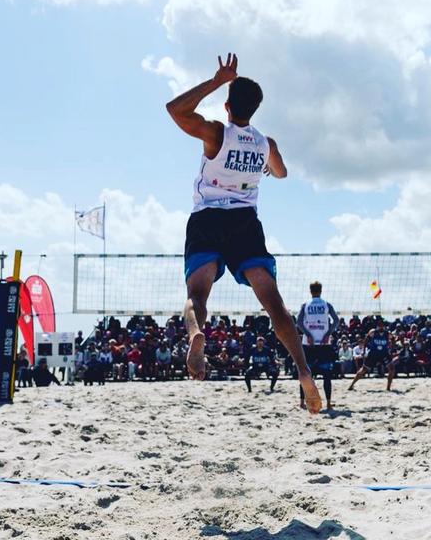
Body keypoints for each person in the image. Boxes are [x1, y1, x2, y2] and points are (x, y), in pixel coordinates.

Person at [166, 53, 322, 413]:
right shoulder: (266, 144)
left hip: (207, 218)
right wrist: (264, 165)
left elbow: (175, 109)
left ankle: (196, 334)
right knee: (273, 303)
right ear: (255, 109)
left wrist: (216, 80)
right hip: (245, 223)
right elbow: (281, 172)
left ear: (227, 106)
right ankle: (302, 369)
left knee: (197, 296)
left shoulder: (216, 133)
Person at [296, 281, 339, 410]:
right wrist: (328, 334)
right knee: (327, 375)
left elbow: (299, 322)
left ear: (310, 291)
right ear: (321, 291)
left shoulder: (305, 305)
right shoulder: (326, 304)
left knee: (305, 374)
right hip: (323, 343)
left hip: (308, 344)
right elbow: (336, 321)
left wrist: (308, 334)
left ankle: (302, 402)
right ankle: (329, 403)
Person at [348, 324, 392, 391]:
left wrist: (391, 348)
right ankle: (351, 385)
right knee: (363, 369)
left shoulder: (387, 333)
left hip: (383, 354)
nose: (381, 327)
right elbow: (366, 341)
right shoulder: (373, 332)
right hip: (373, 354)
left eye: (382, 325)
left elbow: (393, 339)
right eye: (380, 325)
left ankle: (388, 388)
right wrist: (364, 351)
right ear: (377, 326)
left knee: (392, 368)